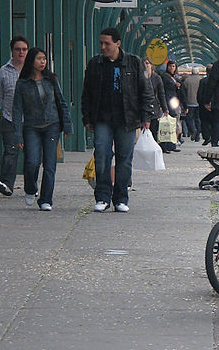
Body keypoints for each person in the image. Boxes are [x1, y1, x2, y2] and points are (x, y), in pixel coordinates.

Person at [81, 26, 153, 212]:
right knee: (102, 155)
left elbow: (145, 90)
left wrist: (146, 116)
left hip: (127, 119)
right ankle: (102, 197)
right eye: (101, 43)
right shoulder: (95, 64)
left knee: (124, 158)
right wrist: (87, 117)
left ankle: (121, 198)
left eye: (107, 43)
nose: (103, 47)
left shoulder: (133, 63)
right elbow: (86, 93)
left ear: (118, 43)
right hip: (102, 118)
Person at [11, 47, 72, 210]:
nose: (42, 62)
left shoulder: (51, 80)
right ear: (31, 61)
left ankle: (46, 199)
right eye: (39, 58)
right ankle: (31, 188)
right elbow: (17, 110)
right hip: (31, 126)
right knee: (32, 161)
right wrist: (18, 135)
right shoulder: (22, 84)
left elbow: (61, 102)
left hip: (52, 125)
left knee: (50, 164)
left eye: (44, 58)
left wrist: (67, 125)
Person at [0, 34, 29, 197]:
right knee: (11, 151)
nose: (21, 52)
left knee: (32, 155)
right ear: (12, 51)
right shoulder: (4, 71)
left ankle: (31, 186)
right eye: (18, 49)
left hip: (30, 120)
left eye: (24, 49)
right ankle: (6, 184)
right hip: (9, 118)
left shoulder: (33, 70)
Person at [144, 57, 168, 143]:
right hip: (143, 107)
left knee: (153, 130)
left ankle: (152, 146)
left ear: (151, 65)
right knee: (144, 130)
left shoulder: (157, 78)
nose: (146, 65)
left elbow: (161, 94)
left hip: (154, 107)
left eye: (147, 63)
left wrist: (165, 108)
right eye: (144, 63)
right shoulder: (140, 76)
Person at [181, 67, 203, 140]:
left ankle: (193, 130)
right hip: (199, 103)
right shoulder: (200, 80)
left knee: (189, 119)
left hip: (189, 103)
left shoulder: (187, 80)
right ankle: (197, 136)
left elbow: (183, 93)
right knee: (198, 119)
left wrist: (184, 103)